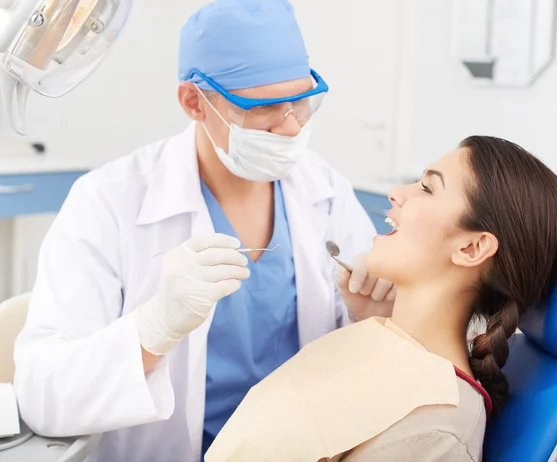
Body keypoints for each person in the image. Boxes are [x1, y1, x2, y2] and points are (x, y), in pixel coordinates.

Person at [12, 1, 391, 461]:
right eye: (266, 107)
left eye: (302, 100)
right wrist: (152, 332)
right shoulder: (107, 202)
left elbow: (356, 354)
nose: (291, 126)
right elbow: (41, 395)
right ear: (195, 102)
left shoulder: (324, 190)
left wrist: (369, 318)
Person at [204, 136, 557, 461]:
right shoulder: (381, 338)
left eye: (428, 188)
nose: (396, 193)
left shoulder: (435, 430)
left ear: (472, 247)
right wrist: (370, 321)